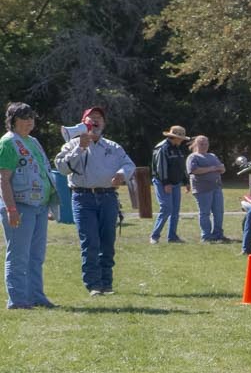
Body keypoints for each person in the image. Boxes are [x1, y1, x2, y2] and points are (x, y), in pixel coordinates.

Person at [51, 106, 138, 296]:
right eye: (91, 118)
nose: (96, 121)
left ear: (104, 124)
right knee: (90, 241)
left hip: (108, 197)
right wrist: (80, 148)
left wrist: (121, 174)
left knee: (107, 241)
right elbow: (62, 168)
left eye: (99, 118)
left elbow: (129, 164)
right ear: (84, 123)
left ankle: (106, 283)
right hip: (83, 197)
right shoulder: (71, 145)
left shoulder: (113, 147)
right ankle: (93, 285)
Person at [1, 102, 57, 308]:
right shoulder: (8, 143)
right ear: (13, 121)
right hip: (20, 206)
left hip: (39, 206)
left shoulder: (32, 141)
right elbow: (3, 179)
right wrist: (11, 209)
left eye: (31, 117)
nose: (29, 121)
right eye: (24, 118)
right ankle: (17, 300)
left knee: (36, 255)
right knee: (18, 255)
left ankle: (36, 296)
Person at [150, 125, 192, 243]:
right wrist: (166, 183)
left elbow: (181, 166)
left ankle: (172, 236)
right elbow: (161, 167)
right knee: (166, 208)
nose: (182, 140)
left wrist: (186, 181)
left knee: (175, 211)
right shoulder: (162, 148)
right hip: (162, 182)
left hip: (176, 183)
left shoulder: (177, 148)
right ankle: (154, 236)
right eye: (181, 138)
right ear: (175, 137)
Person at [186, 134, 227, 242]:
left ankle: (218, 234)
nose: (204, 146)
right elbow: (194, 170)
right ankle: (206, 236)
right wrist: (213, 168)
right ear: (196, 145)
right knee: (205, 213)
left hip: (216, 187)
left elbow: (222, 169)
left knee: (219, 212)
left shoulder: (212, 156)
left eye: (206, 144)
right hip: (202, 189)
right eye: (201, 144)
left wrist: (219, 168)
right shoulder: (193, 157)